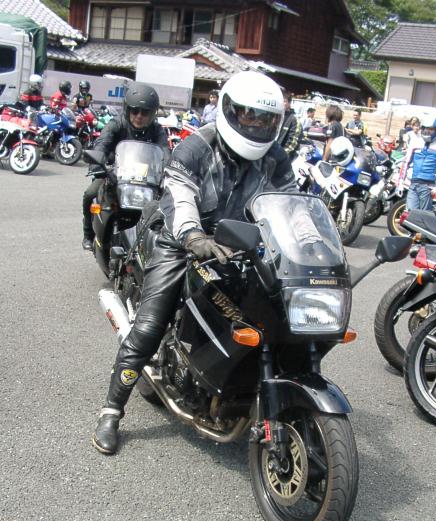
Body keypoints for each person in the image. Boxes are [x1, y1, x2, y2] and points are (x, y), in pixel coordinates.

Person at [92, 70, 296, 455]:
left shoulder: (276, 158)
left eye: (265, 119)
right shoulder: (197, 146)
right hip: (181, 240)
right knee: (149, 326)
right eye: (248, 115)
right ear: (229, 111)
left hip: (240, 243)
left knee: (275, 314)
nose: (256, 125)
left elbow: (292, 206)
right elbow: (181, 195)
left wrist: (312, 246)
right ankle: (111, 411)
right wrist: (193, 236)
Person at [81, 82, 169, 251]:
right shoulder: (117, 124)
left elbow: (165, 152)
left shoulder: (157, 130)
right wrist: (97, 162)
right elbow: (102, 143)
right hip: (114, 175)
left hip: (146, 180)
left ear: (152, 114)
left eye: (145, 112)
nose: (139, 116)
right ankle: (88, 234)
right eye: (135, 111)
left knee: (164, 208)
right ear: (127, 110)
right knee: (90, 194)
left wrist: (169, 170)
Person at [397, 115, 436, 212]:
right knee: (410, 214)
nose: (426, 131)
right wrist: (400, 183)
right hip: (413, 184)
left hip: (428, 186)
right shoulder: (415, 143)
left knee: (423, 216)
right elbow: (405, 162)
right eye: (424, 128)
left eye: (430, 129)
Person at [277, 90, 303, 158]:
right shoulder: (274, 116)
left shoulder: (294, 121)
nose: (282, 103)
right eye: (280, 101)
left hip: (281, 157)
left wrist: (279, 156)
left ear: (289, 103)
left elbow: (292, 144)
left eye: (284, 101)